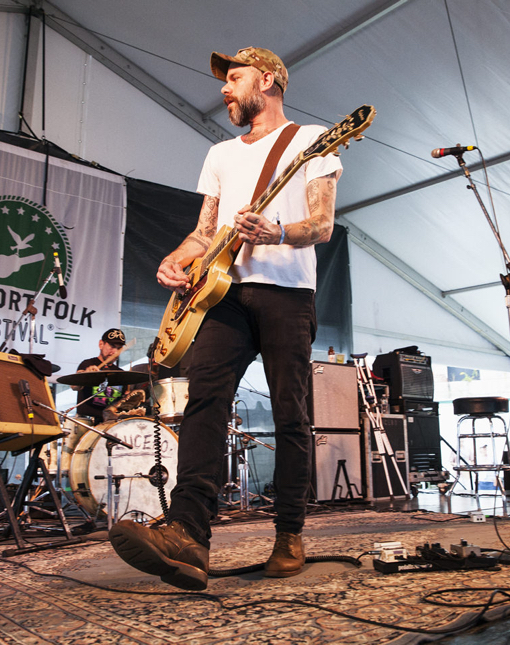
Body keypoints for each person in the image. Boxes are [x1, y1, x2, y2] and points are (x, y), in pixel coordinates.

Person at [109, 46, 342, 591]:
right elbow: (204, 230)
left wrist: (278, 231)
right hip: (225, 294)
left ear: (267, 79)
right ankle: (189, 535)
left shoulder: (311, 141)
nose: (223, 88)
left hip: (289, 293)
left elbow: (323, 224)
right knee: (205, 403)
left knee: (290, 414)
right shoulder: (219, 154)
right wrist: (176, 257)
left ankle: (289, 533)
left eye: (233, 77)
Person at [73, 328, 127, 423]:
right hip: (88, 422)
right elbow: (74, 386)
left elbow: (123, 402)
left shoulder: (121, 373)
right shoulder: (87, 364)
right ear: (101, 344)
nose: (114, 352)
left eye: (119, 348)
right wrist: (85, 374)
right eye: (112, 346)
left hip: (111, 424)